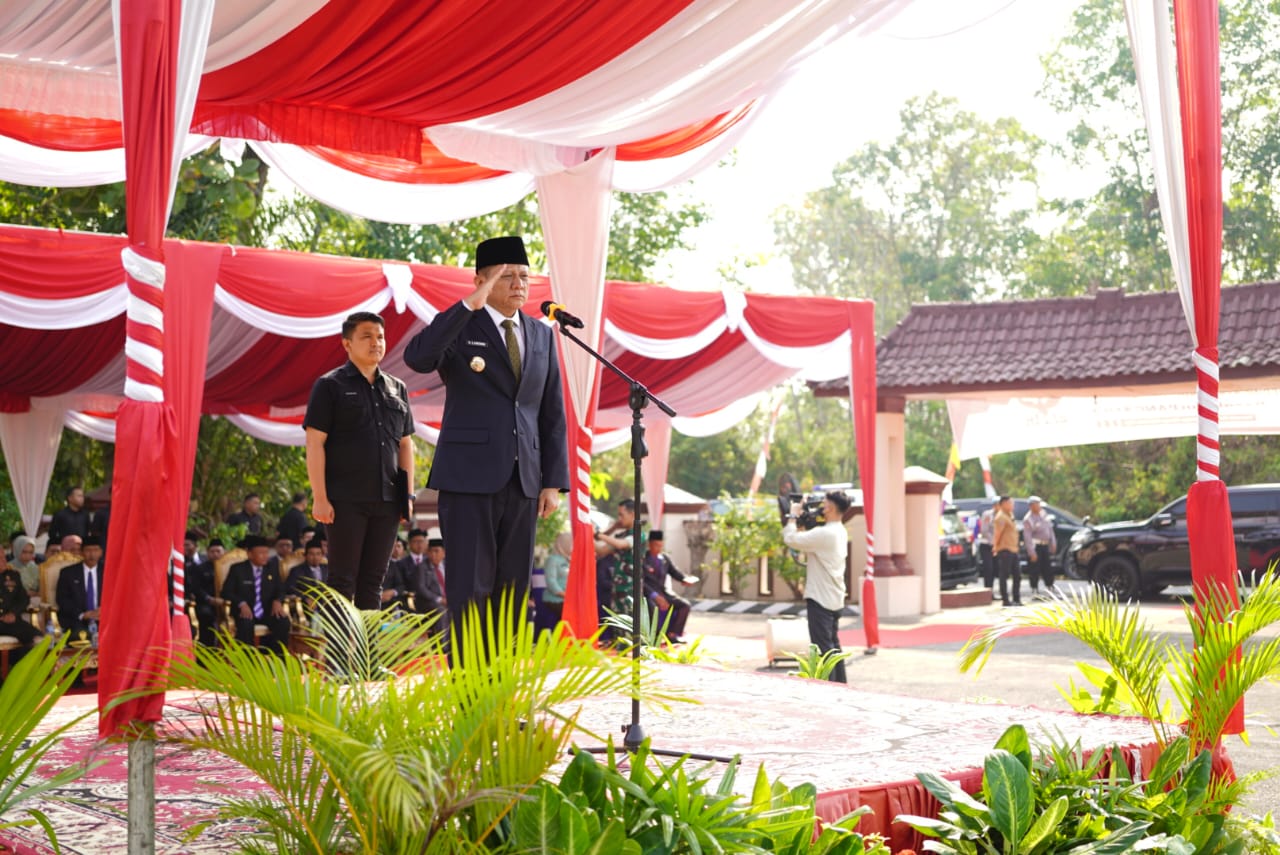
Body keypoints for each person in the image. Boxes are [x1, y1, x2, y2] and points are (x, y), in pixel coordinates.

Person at [403, 236, 569, 655]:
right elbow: (419, 358)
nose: (518, 284)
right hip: (469, 478)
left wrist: (553, 481)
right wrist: (469, 304)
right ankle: (469, 697)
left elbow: (551, 412)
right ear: (482, 279)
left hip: (524, 480)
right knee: (470, 588)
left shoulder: (541, 334)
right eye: (507, 275)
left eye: (524, 277)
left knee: (512, 593)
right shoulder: (463, 325)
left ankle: (502, 696)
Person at [304, 311, 416, 611]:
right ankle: (338, 659)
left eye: (380, 336)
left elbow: (406, 445)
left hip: (387, 501)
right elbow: (315, 443)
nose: (376, 342)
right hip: (344, 501)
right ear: (347, 344)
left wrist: (408, 496)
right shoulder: (330, 386)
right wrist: (320, 498)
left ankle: (368, 656)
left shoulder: (397, 388)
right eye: (366, 336)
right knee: (341, 581)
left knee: (374, 582)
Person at [782, 491, 851, 684]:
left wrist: (794, 515)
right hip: (834, 598)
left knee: (822, 650)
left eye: (824, 503)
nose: (821, 506)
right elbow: (811, 536)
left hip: (820, 599)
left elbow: (791, 539)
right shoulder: (838, 531)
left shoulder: (824, 534)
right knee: (833, 648)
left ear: (829, 507)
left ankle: (827, 688)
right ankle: (840, 686)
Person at [222, 535, 290, 654]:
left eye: (266, 553)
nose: (265, 556)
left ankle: (278, 659)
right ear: (250, 554)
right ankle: (248, 662)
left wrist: (277, 600)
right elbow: (226, 592)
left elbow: (281, 589)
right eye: (261, 553)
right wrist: (241, 603)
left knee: (283, 621)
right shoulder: (238, 569)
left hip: (267, 611)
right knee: (245, 624)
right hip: (245, 612)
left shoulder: (272, 569)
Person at [643, 530, 694, 643]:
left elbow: (675, 572)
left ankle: (672, 634)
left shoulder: (664, 559)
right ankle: (654, 637)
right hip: (648, 593)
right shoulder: (643, 559)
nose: (659, 548)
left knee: (685, 605)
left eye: (661, 545)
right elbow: (641, 581)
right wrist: (655, 596)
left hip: (663, 592)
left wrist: (684, 579)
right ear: (649, 544)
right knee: (652, 607)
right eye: (656, 545)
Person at [56, 534, 105, 639]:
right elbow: (62, 599)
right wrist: (83, 614)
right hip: (77, 619)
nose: (92, 554)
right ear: (81, 552)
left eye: (96, 550)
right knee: (80, 635)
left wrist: (104, 610)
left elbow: (117, 597)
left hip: (104, 619)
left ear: (101, 552)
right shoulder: (68, 573)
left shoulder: (109, 572)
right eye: (88, 550)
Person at [187, 538, 225, 646]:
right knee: (205, 616)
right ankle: (207, 650)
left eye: (218, 551)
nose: (215, 554)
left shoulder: (230, 568)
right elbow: (196, 588)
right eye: (212, 551)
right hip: (207, 602)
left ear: (224, 552)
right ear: (208, 553)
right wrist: (209, 599)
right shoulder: (200, 568)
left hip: (224, 602)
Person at [1023, 496, 1058, 599]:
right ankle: (1034, 590)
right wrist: (1031, 552)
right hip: (1035, 546)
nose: (1039, 506)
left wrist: (1053, 542)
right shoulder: (1028, 519)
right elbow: (1027, 537)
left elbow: (1050, 529)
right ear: (1031, 506)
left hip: (1045, 545)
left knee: (1047, 567)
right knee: (1034, 569)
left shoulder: (1043, 514)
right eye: (1037, 504)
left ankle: (1050, 588)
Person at [539, 531, 572, 632]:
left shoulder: (567, 560)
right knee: (572, 614)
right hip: (555, 599)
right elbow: (551, 582)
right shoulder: (552, 559)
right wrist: (566, 595)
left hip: (566, 599)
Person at [994, 495, 1022, 607]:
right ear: (1004, 504)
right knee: (1004, 575)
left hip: (1013, 549)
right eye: (1010, 503)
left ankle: (1016, 598)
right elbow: (997, 534)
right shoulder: (1000, 517)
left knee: (1017, 575)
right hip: (1005, 549)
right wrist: (995, 547)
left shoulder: (1010, 515)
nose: (1012, 506)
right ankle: (1005, 599)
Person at [0, 568, 36, 649]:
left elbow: (24, 599)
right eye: (0, 558)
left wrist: (13, 613)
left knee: (36, 636)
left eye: (3, 557)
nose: (3, 561)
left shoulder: (13, 575)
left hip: (11, 620)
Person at [976, 502, 996, 597]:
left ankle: (991, 591)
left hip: (996, 546)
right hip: (987, 545)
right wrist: (993, 542)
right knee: (988, 569)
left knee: (995, 570)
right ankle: (988, 593)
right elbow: (984, 530)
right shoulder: (988, 515)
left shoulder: (1002, 515)